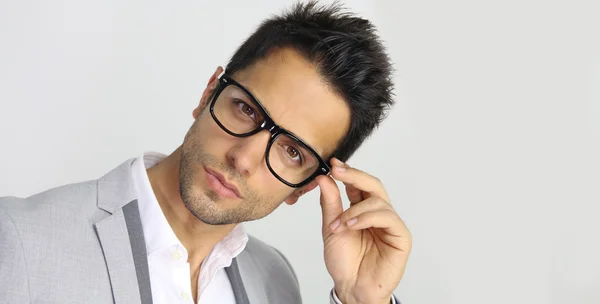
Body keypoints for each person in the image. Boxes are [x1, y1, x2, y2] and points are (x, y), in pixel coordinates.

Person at [0, 2, 411, 303]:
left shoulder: (276, 281)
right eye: (247, 109)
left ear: (302, 189)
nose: (244, 158)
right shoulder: (17, 240)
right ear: (210, 92)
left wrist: (361, 301)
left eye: (291, 151)